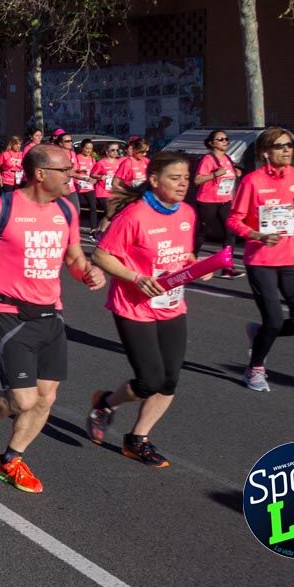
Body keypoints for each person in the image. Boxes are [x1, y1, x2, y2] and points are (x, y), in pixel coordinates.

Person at [0, 144, 105, 493]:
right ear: (41, 174)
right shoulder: (2, 208)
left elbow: (74, 258)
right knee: (23, 400)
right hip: (8, 312)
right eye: (66, 169)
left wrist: (88, 273)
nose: (74, 173)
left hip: (51, 313)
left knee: (46, 399)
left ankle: (11, 461)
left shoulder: (67, 209)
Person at [86, 152, 206, 468]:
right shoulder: (135, 216)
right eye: (174, 178)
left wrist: (195, 265)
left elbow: (184, 253)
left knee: (169, 381)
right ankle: (105, 403)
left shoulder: (188, 213)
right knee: (150, 380)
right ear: (154, 180)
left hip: (171, 305)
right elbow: (102, 256)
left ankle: (137, 438)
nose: (183, 184)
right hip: (134, 306)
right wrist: (136, 277)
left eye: (186, 178)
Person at [227, 127, 294, 392]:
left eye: (290, 145)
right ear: (265, 153)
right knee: (275, 320)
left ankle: (259, 334)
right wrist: (256, 234)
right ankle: (255, 369)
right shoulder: (252, 181)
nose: (287, 150)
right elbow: (234, 220)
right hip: (261, 259)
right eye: (281, 146)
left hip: (293, 258)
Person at [192, 129, 244, 278]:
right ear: (211, 143)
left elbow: (228, 175)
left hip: (225, 200)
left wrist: (236, 173)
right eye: (220, 139)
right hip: (207, 201)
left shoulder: (227, 158)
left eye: (226, 139)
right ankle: (190, 261)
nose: (225, 142)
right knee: (203, 233)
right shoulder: (208, 159)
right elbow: (197, 180)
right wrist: (214, 174)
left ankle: (228, 267)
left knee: (230, 233)